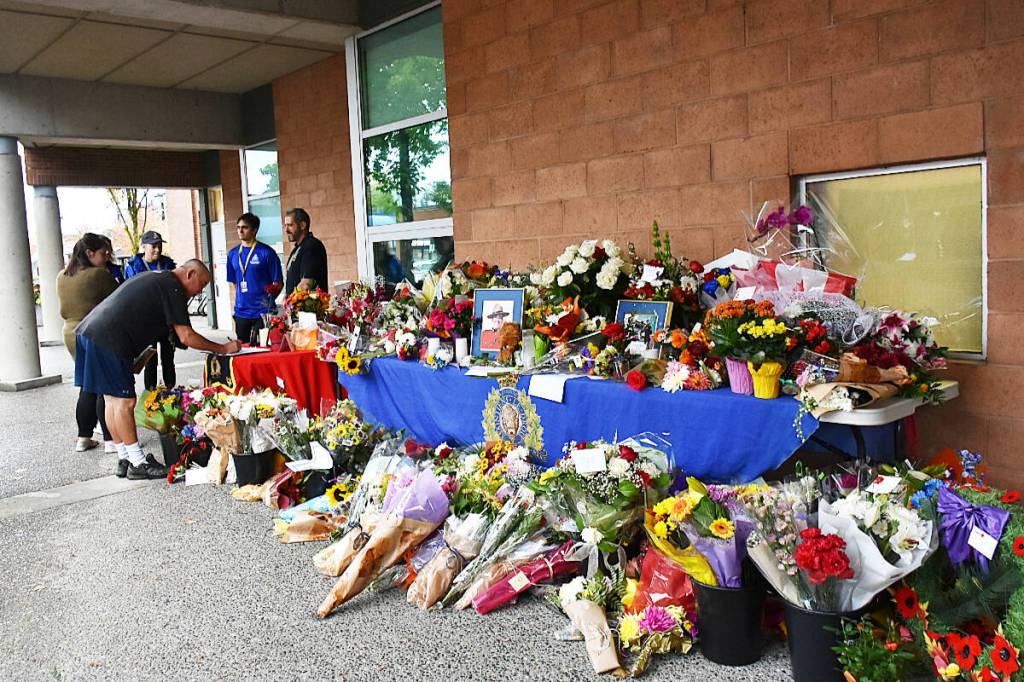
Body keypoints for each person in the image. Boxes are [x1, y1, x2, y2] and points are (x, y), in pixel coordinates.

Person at [75, 260, 242, 479]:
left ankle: (124, 458)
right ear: (190, 274)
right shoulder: (171, 285)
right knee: (125, 402)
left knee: (111, 400)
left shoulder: (155, 278)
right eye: (201, 284)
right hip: (109, 337)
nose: (200, 291)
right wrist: (223, 348)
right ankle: (138, 463)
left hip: (90, 331)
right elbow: (186, 335)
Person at [56, 233, 118, 454]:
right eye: (104, 252)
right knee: (104, 386)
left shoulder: (62, 276)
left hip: (71, 334)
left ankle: (84, 437)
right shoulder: (98, 275)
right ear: (89, 253)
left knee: (87, 384)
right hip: (95, 332)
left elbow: (64, 310)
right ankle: (111, 439)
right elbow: (118, 299)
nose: (107, 256)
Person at [124, 231, 177, 389]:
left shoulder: (168, 265)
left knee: (168, 359)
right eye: (154, 246)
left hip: (166, 320)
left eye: (160, 245)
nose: (157, 250)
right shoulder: (133, 267)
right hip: (145, 322)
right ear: (144, 247)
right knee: (150, 360)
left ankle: (171, 392)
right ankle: (150, 394)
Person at [226, 212, 283, 344]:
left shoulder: (266, 252)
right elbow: (234, 282)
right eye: (238, 227)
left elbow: (278, 283)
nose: (240, 230)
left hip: (261, 312)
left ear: (254, 230)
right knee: (243, 349)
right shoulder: (233, 254)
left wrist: (268, 302)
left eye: (244, 227)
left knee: (262, 349)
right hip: (241, 312)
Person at [283, 208, 328, 296]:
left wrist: (289, 302)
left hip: (309, 308)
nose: (286, 230)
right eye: (285, 225)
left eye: (290, 225)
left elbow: (306, 284)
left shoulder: (311, 246)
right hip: (297, 307)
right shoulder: (298, 248)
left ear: (303, 225)